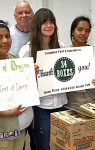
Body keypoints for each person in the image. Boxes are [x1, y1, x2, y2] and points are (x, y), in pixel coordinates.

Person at [19, 8, 68, 150]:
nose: (49, 25)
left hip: (62, 103)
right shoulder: (27, 50)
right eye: (44, 22)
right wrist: (30, 75)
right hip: (41, 107)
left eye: (51, 22)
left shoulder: (62, 47)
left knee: (63, 144)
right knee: (42, 146)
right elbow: (21, 83)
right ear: (37, 26)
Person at [0, 20, 33, 150]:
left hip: (20, 126)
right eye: (0, 37)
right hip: (3, 129)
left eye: (7, 36)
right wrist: (5, 113)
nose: (5, 41)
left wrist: (31, 75)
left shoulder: (13, 58)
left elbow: (21, 85)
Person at [66, 16, 95, 110]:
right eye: (80, 29)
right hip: (73, 102)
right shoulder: (64, 54)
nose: (84, 33)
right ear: (72, 31)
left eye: (87, 31)